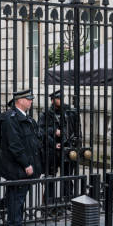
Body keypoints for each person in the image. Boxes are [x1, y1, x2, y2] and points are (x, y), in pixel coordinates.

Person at [0, 89, 43, 226]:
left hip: (23, 166)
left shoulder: (25, 118)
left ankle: (18, 225)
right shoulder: (11, 119)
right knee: (16, 198)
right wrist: (26, 164)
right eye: (28, 99)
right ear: (20, 100)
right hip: (17, 167)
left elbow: (32, 142)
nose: (31, 101)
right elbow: (15, 145)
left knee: (18, 198)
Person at [38, 89, 81, 217]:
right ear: (52, 100)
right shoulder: (46, 113)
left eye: (62, 98)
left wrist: (76, 146)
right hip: (52, 151)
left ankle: (67, 202)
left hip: (67, 150)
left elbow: (77, 131)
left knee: (67, 177)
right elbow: (41, 132)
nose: (61, 100)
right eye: (58, 98)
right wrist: (54, 134)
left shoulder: (70, 112)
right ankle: (49, 205)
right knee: (50, 177)